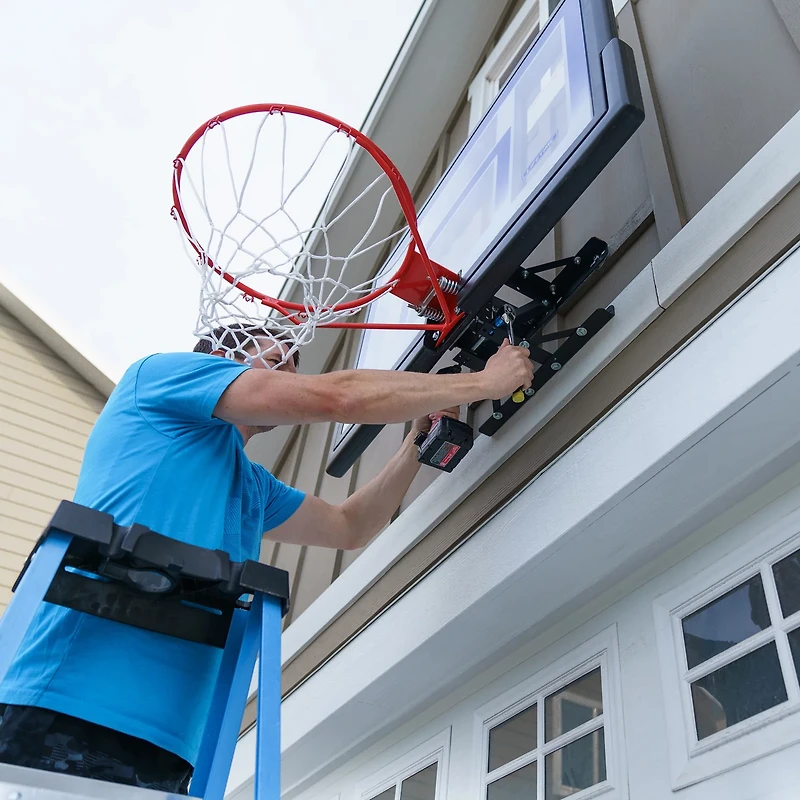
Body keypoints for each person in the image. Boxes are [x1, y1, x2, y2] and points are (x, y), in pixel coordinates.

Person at [0, 324, 533, 793]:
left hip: (173, 748)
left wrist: (415, 443)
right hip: (61, 704)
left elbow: (351, 526)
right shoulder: (159, 377)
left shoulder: (254, 488)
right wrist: (483, 382)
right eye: (273, 357)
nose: (289, 367)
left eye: (294, 363)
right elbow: (338, 399)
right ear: (221, 358)